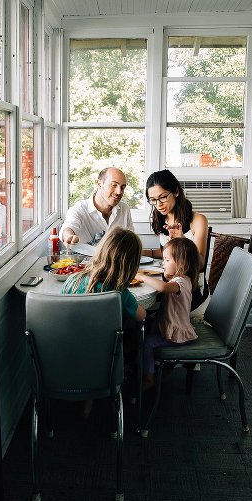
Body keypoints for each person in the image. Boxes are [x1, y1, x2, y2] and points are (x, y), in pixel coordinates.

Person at [61, 227, 147, 418]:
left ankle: (86, 396)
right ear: (131, 265)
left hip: (69, 355)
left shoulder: (72, 281)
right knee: (135, 329)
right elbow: (143, 316)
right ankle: (131, 385)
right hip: (105, 360)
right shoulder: (120, 293)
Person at [135, 237, 201, 391]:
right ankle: (144, 366)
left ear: (181, 264)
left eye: (166, 260)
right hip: (172, 327)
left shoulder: (181, 283)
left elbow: (164, 288)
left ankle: (149, 377)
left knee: (148, 343)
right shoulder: (182, 279)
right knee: (143, 325)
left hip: (178, 335)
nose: (162, 263)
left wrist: (142, 277)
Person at [143, 169, 210, 311]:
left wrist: (182, 241)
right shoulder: (162, 219)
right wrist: (139, 252)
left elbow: (199, 264)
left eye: (163, 197)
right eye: (153, 200)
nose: (158, 204)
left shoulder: (198, 220)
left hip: (191, 295)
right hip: (170, 288)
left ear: (176, 192)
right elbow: (166, 253)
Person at [60, 167, 135, 247]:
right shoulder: (79, 209)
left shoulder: (124, 209)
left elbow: (130, 241)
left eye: (122, 187)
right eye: (114, 185)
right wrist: (69, 236)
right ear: (99, 184)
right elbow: (69, 227)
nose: (119, 192)